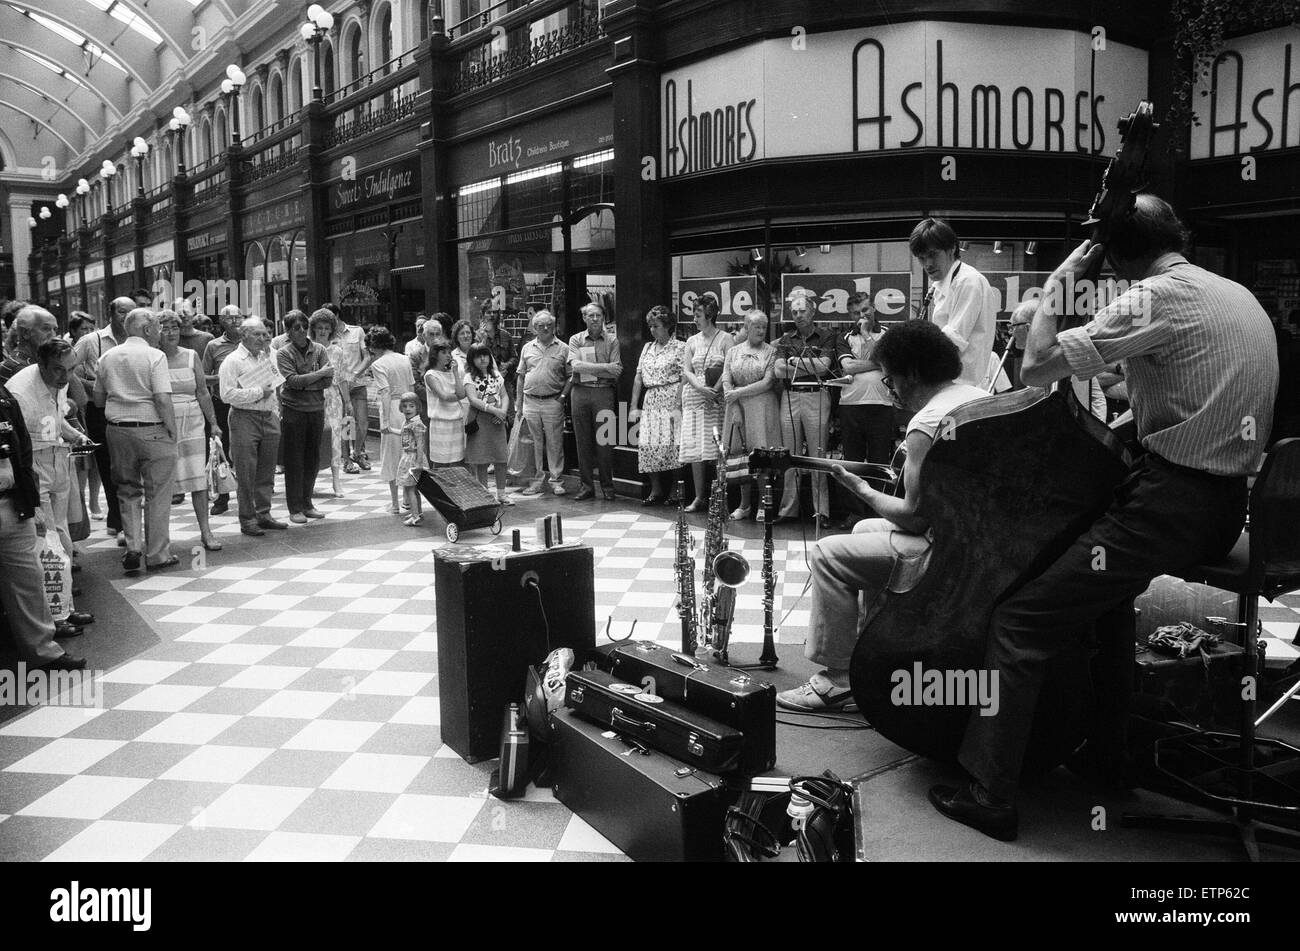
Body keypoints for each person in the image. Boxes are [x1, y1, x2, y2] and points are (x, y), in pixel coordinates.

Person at [931, 195, 1278, 842]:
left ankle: (990, 792)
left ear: (1116, 256)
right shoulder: (1236, 294)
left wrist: (1062, 281)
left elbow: (1036, 368)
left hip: (1170, 504)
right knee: (1109, 602)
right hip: (1227, 508)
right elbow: (1173, 382)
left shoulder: (1155, 298)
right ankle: (1107, 755)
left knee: (1019, 620)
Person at [776, 321, 988, 715]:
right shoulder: (976, 397)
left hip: (945, 551)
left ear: (911, 374)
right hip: (979, 538)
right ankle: (877, 655)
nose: (890, 390)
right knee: (863, 529)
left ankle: (837, 679)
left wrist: (861, 489)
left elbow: (912, 519)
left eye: (890, 380)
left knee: (827, 553)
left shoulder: (926, 424)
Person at [8, 338, 96, 631]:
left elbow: (56, 418)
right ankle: (52, 618)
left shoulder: (60, 382)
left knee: (62, 538)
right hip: (34, 465)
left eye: (70, 369)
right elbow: (18, 444)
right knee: (46, 545)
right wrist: (30, 491)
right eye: (59, 370)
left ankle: (65, 608)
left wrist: (73, 435)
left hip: (58, 460)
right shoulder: (20, 392)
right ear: (41, 364)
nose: (65, 377)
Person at [0, 381, 87, 670]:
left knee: (28, 579)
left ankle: (44, 650)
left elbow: (22, 448)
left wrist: (31, 501)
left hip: (12, 502)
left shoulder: (4, 395)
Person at [93, 308, 178, 574]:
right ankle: (157, 554)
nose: (161, 332)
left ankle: (133, 547)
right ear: (147, 329)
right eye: (158, 328)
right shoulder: (155, 356)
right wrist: (173, 429)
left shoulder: (107, 356)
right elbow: (162, 398)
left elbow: (97, 400)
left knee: (127, 490)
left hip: (117, 430)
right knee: (158, 493)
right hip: (152, 428)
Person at [157, 310, 222, 551]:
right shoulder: (153, 358)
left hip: (193, 421)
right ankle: (160, 539)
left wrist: (213, 423)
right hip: (163, 423)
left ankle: (206, 532)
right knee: (163, 481)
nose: (171, 332)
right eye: (165, 328)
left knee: (198, 479)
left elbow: (203, 392)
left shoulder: (191, 355)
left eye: (174, 327)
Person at [218, 317, 287, 537]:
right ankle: (247, 518)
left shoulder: (270, 355)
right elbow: (226, 394)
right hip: (244, 418)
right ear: (243, 334)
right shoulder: (233, 360)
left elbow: (277, 382)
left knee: (267, 470)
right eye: (257, 334)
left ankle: (264, 513)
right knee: (246, 471)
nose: (263, 338)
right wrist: (258, 392)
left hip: (269, 416)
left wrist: (276, 408)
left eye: (264, 334)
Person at [773, 292, 836, 526]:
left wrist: (792, 363)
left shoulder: (827, 336)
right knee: (790, 454)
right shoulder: (786, 339)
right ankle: (789, 509)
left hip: (816, 396)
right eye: (794, 312)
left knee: (818, 454)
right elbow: (778, 371)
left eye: (802, 311)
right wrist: (808, 366)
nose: (798, 315)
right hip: (790, 396)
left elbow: (824, 367)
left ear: (813, 311)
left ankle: (822, 512)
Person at [911, 217, 996, 388]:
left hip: (961, 389)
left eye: (933, 255)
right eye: (921, 258)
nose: (927, 264)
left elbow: (951, 344)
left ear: (952, 249)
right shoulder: (944, 283)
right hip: (951, 385)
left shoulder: (967, 281)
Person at [836, 292, 893, 526]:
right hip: (851, 406)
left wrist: (868, 335)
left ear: (874, 308)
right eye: (857, 313)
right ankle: (855, 513)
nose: (862, 315)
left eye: (865, 310)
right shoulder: (844, 337)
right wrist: (877, 362)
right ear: (850, 315)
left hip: (883, 406)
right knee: (853, 462)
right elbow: (846, 367)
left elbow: (890, 362)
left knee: (880, 463)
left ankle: (878, 512)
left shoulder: (888, 334)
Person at [721, 310, 780, 520]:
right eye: (757, 326)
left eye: (764, 327)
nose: (761, 331)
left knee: (760, 455)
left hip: (762, 406)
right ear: (747, 327)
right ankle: (744, 505)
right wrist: (735, 402)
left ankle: (764, 505)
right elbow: (726, 378)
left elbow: (768, 382)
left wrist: (738, 392)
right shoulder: (733, 351)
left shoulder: (771, 352)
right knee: (740, 455)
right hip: (736, 407)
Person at [1007, 300, 1107, 420]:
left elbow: (1094, 398)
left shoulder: (1058, 356)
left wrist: (1096, 431)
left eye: (1012, 327)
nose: (1010, 333)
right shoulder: (1038, 357)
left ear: (1028, 328)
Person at [677, 295, 733, 510]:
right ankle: (699, 497)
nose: (694, 318)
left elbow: (728, 367)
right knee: (695, 449)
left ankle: (721, 497)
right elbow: (687, 370)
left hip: (716, 399)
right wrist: (700, 387)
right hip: (694, 396)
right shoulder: (692, 341)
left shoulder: (726, 339)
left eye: (698, 314)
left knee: (717, 449)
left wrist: (715, 390)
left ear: (709, 315)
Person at [276, 310, 332, 524]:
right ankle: (295, 507)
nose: (301, 331)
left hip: (316, 409)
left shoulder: (319, 349)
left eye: (303, 327)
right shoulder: (283, 353)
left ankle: (307, 503)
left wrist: (306, 381)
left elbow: (329, 381)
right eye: (295, 328)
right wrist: (318, 375)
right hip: (294, 411)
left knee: (312, 458)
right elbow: (292, 381)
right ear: (288, 332)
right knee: (294, 460)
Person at [630, 305, 687, 505]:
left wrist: (678, 405)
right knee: (649, 444)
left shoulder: (680, 347)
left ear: (668, 326)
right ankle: (656, 489)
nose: (652, 330)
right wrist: (633, 406)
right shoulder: (647, 347)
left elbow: (684, 378)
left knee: (673, 446)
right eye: (650, 326)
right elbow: (638, 377)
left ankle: (675, 488)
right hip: (651, 399)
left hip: (671, 397)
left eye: (656, 326)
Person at [568, 301, 622, 501]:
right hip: (580, 393)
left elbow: (617, 371)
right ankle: (586, 486)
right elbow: (575, 366)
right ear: (584, 318)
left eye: (598, 315)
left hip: (603, 393)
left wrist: (591, 367)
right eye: (590, 315)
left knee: (605, 441)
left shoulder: (613, 341)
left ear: (604, 317)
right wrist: (605, 367)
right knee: (582, 442)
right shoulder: (576, 339)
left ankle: (608, 486)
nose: (595, 319)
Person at [518, 311, 570, 496]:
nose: (545, 328)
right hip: (530, 402)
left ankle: (556, 481)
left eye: (548, 324)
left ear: (553, 326)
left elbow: (571, 376)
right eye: (540, 326)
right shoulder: (527, 348)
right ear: (534, 328)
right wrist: (518, 405)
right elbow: (521, 376)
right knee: (533, 443)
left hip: (553, 401)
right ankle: (536, 482)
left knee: (555, 442)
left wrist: (562, 397)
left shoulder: (564, 348)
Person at [202, 304, 245, 515]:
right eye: (229, 318)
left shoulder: (251, 341)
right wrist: (223, 378)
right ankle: (222, 498)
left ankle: (250, 496)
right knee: (221, 450)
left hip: (247, 403)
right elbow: (202, 377)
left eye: (238, 317)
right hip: (222, 403)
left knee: (246, 450)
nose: (235, 321)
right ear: (221, 323)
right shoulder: (213, 345)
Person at [369, 327, 415, 514]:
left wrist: (385, 421)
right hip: (409, 407)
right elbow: (411, 386)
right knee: (408, 453)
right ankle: (407, 498)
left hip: (393, 409)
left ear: (374, 345)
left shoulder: (378, 364)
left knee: (391, 455)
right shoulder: (405, 359)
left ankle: (395, 503)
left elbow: (385, 392)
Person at [464, 343, 513, 504]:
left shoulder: (496, 375)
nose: (483, 358)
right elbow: (473, 399)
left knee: (500, 458)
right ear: (472, 359)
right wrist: (495, 410)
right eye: (478, 356)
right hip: (480, 421)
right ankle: (484, 495)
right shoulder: (469, 377)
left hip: (497, 421)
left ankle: (501, 494)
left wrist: (503, 412)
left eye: (485, 354)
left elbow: (504, 395)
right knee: (482, 459)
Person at [330, 309, 374, 472]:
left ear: (337, 315)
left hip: (358, 383)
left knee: (362, 423)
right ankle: (347, 460)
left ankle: (358, 452)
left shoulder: (357, 331)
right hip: (341, 387)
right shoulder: (328, 337)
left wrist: (355, 375)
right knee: (347, 424)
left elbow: (368, 357)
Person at [310, 310, 346, 498]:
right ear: (313, 329)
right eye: (319, 328)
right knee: (313, 439)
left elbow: (341, 378)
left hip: (332, 399)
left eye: (326, 328)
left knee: (334, 440)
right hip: (313, 397)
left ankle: (336, 480)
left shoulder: (337, 351)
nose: (323, 331)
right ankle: (311, 480)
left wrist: (347, 402)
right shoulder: (308, 348)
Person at [424, 342, 466, 466]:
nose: (448, 355)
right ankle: (438, 486)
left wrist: (456, 373)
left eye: (449, 352)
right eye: (444, 352)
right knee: (440, 462)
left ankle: (455, 486)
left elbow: (462, 393)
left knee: (457, 462)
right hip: (440, 424)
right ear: (435, 355)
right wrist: (459, 396)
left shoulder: (452, 372)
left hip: (456, 421)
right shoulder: (431, 375)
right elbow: (444, 396)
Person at [1, 303, 58, 384]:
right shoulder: (21, 368)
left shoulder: (32, 360)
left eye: (55, 329)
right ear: (26, 333)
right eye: (46, 328)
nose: (53, 335)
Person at [395, 392, 428, 526]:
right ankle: (417, 512)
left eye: (411, 406)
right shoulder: (408, 422)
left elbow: (420, 444)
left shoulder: (416, 424)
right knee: (413, 488)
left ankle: (415, 515)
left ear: (417, 407)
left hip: (413, 458)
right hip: (409, 456)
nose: (407, 409)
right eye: (405, 406)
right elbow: (403, 433)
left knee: (410, 488)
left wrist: (419, 463)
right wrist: (390, 430)